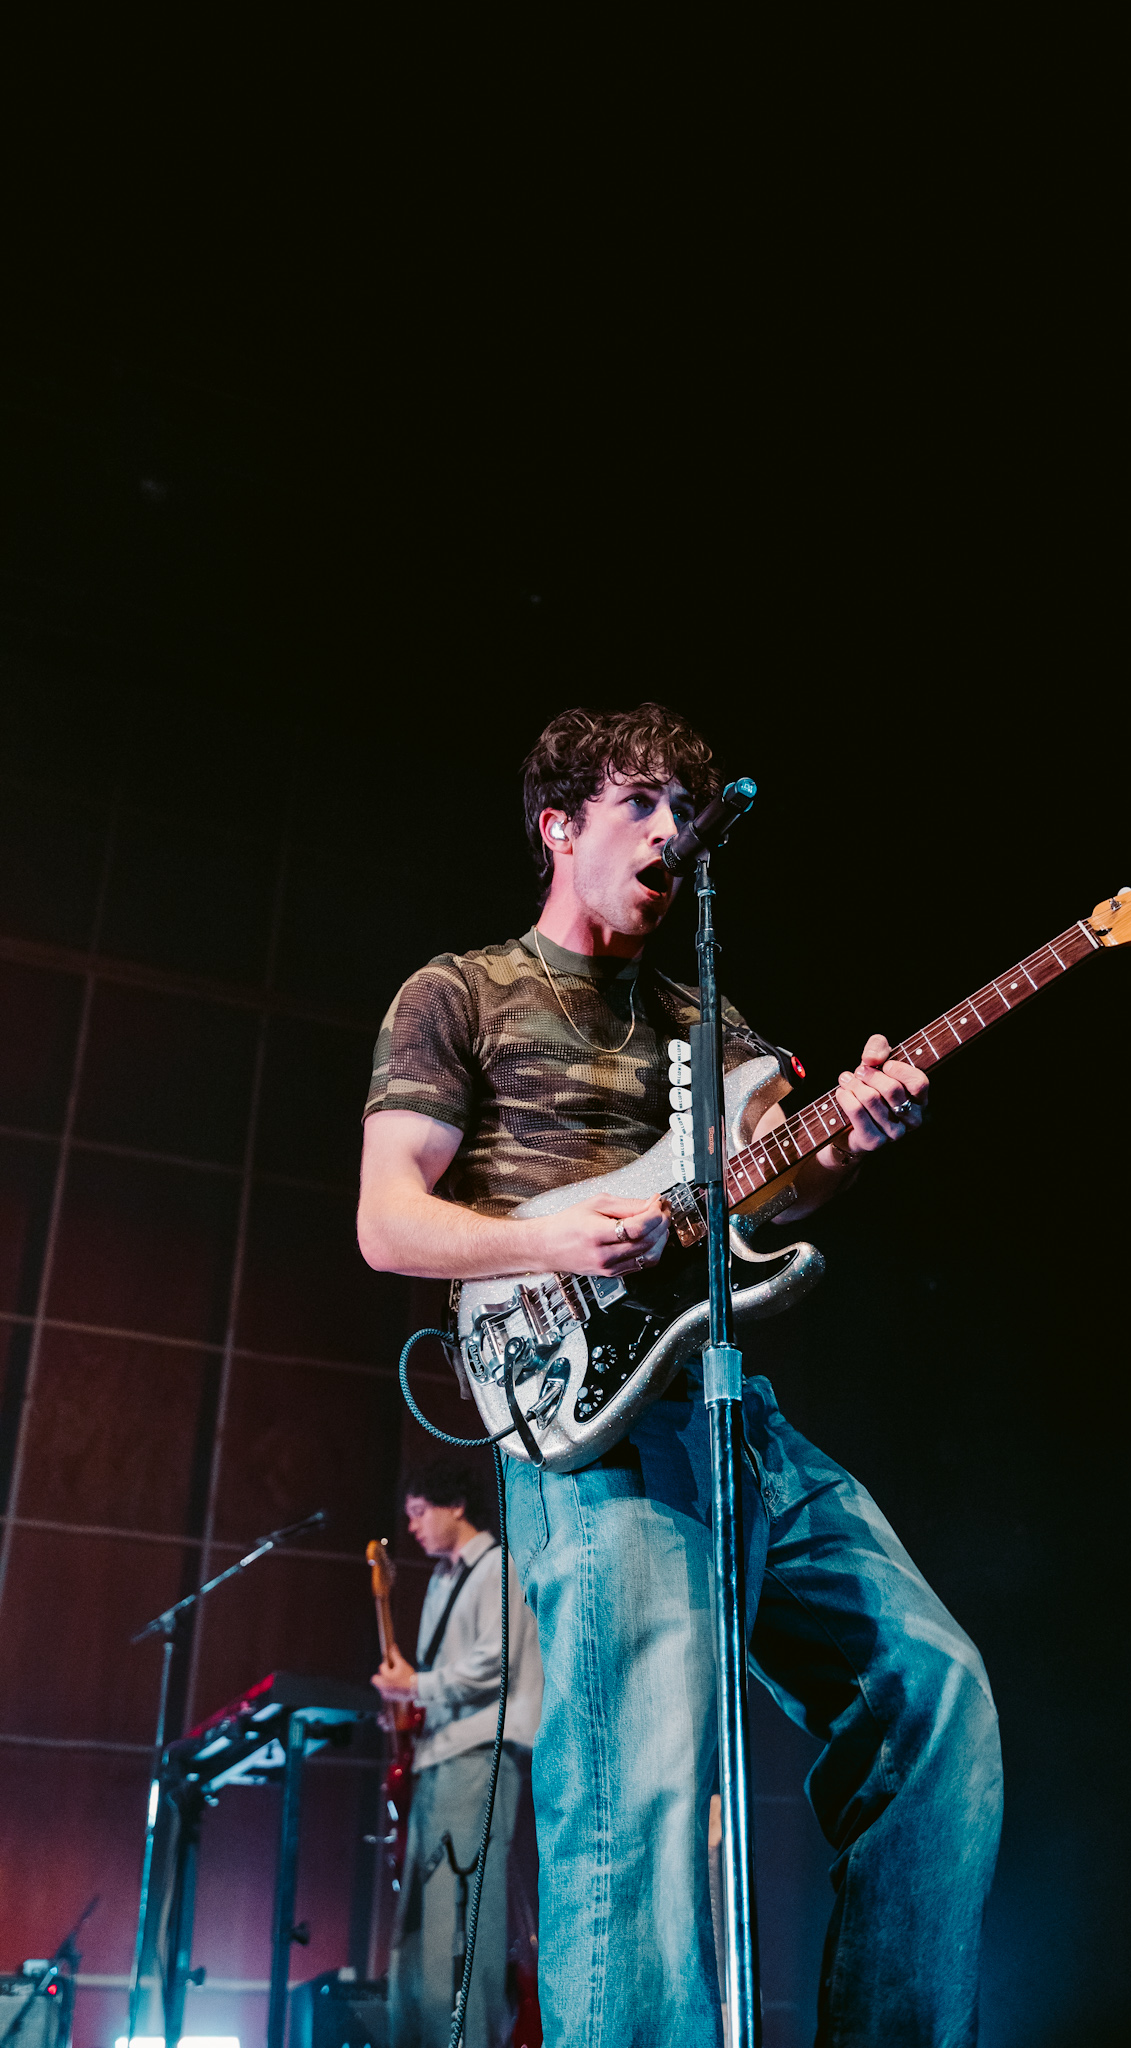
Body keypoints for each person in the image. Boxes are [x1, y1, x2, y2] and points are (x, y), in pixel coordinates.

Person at [358, 702, 1003, 2048]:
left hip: (729, 1411)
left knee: (935, 1699)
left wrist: (851, 1133)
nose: (669, 831)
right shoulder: (461, 991)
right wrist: (551, 1238)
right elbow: (388, 1220)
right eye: (639, 803)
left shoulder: (704, 1016)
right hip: (593, 1434)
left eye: (680, 808)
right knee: (641, 1793)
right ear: (559, 826)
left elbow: (778, 1178)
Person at [372, 1454, 543, 2048]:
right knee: (422, 1921)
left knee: (464, 1917)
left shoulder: (499, 1566)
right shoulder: (441, 1580)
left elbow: (495, 1662)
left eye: (421, 1512)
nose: (413, 1526)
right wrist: (408, 1702)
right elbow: (438, 1677)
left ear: (457, 1506)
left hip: (479, 1753)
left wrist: (417, 1685)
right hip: (437, 1756)